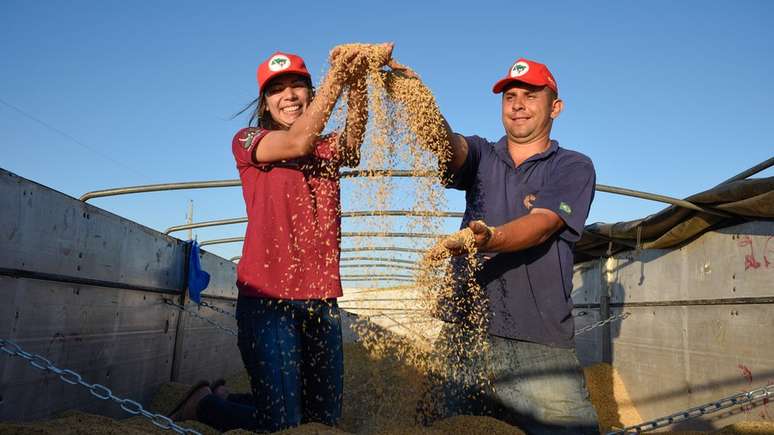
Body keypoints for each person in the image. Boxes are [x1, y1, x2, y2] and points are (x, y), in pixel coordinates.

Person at [169, 44, 396, 432]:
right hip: (268, 304)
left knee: (321, 421)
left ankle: (223, 399)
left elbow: (355, 143)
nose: (288, 96)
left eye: (297, 86)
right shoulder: (249, 140)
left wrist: (358, 79)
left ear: (311, 92)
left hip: (321, 301)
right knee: (283, 426)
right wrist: (339, 74)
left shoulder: (327, 146)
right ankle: (205, 406)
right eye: (277, 90)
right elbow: (296, 144)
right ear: (266, 103)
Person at [435, 58, 600, 434]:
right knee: (448, 425)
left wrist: (491, 237)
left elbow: (543, 225)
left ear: (555, 107)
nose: (518, 104)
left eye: (530, 95)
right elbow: (448, 146)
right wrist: (421, 100)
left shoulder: (572, 166)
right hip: (465, 330)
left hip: (536, 336)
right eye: (510, 96)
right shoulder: (481, 155)